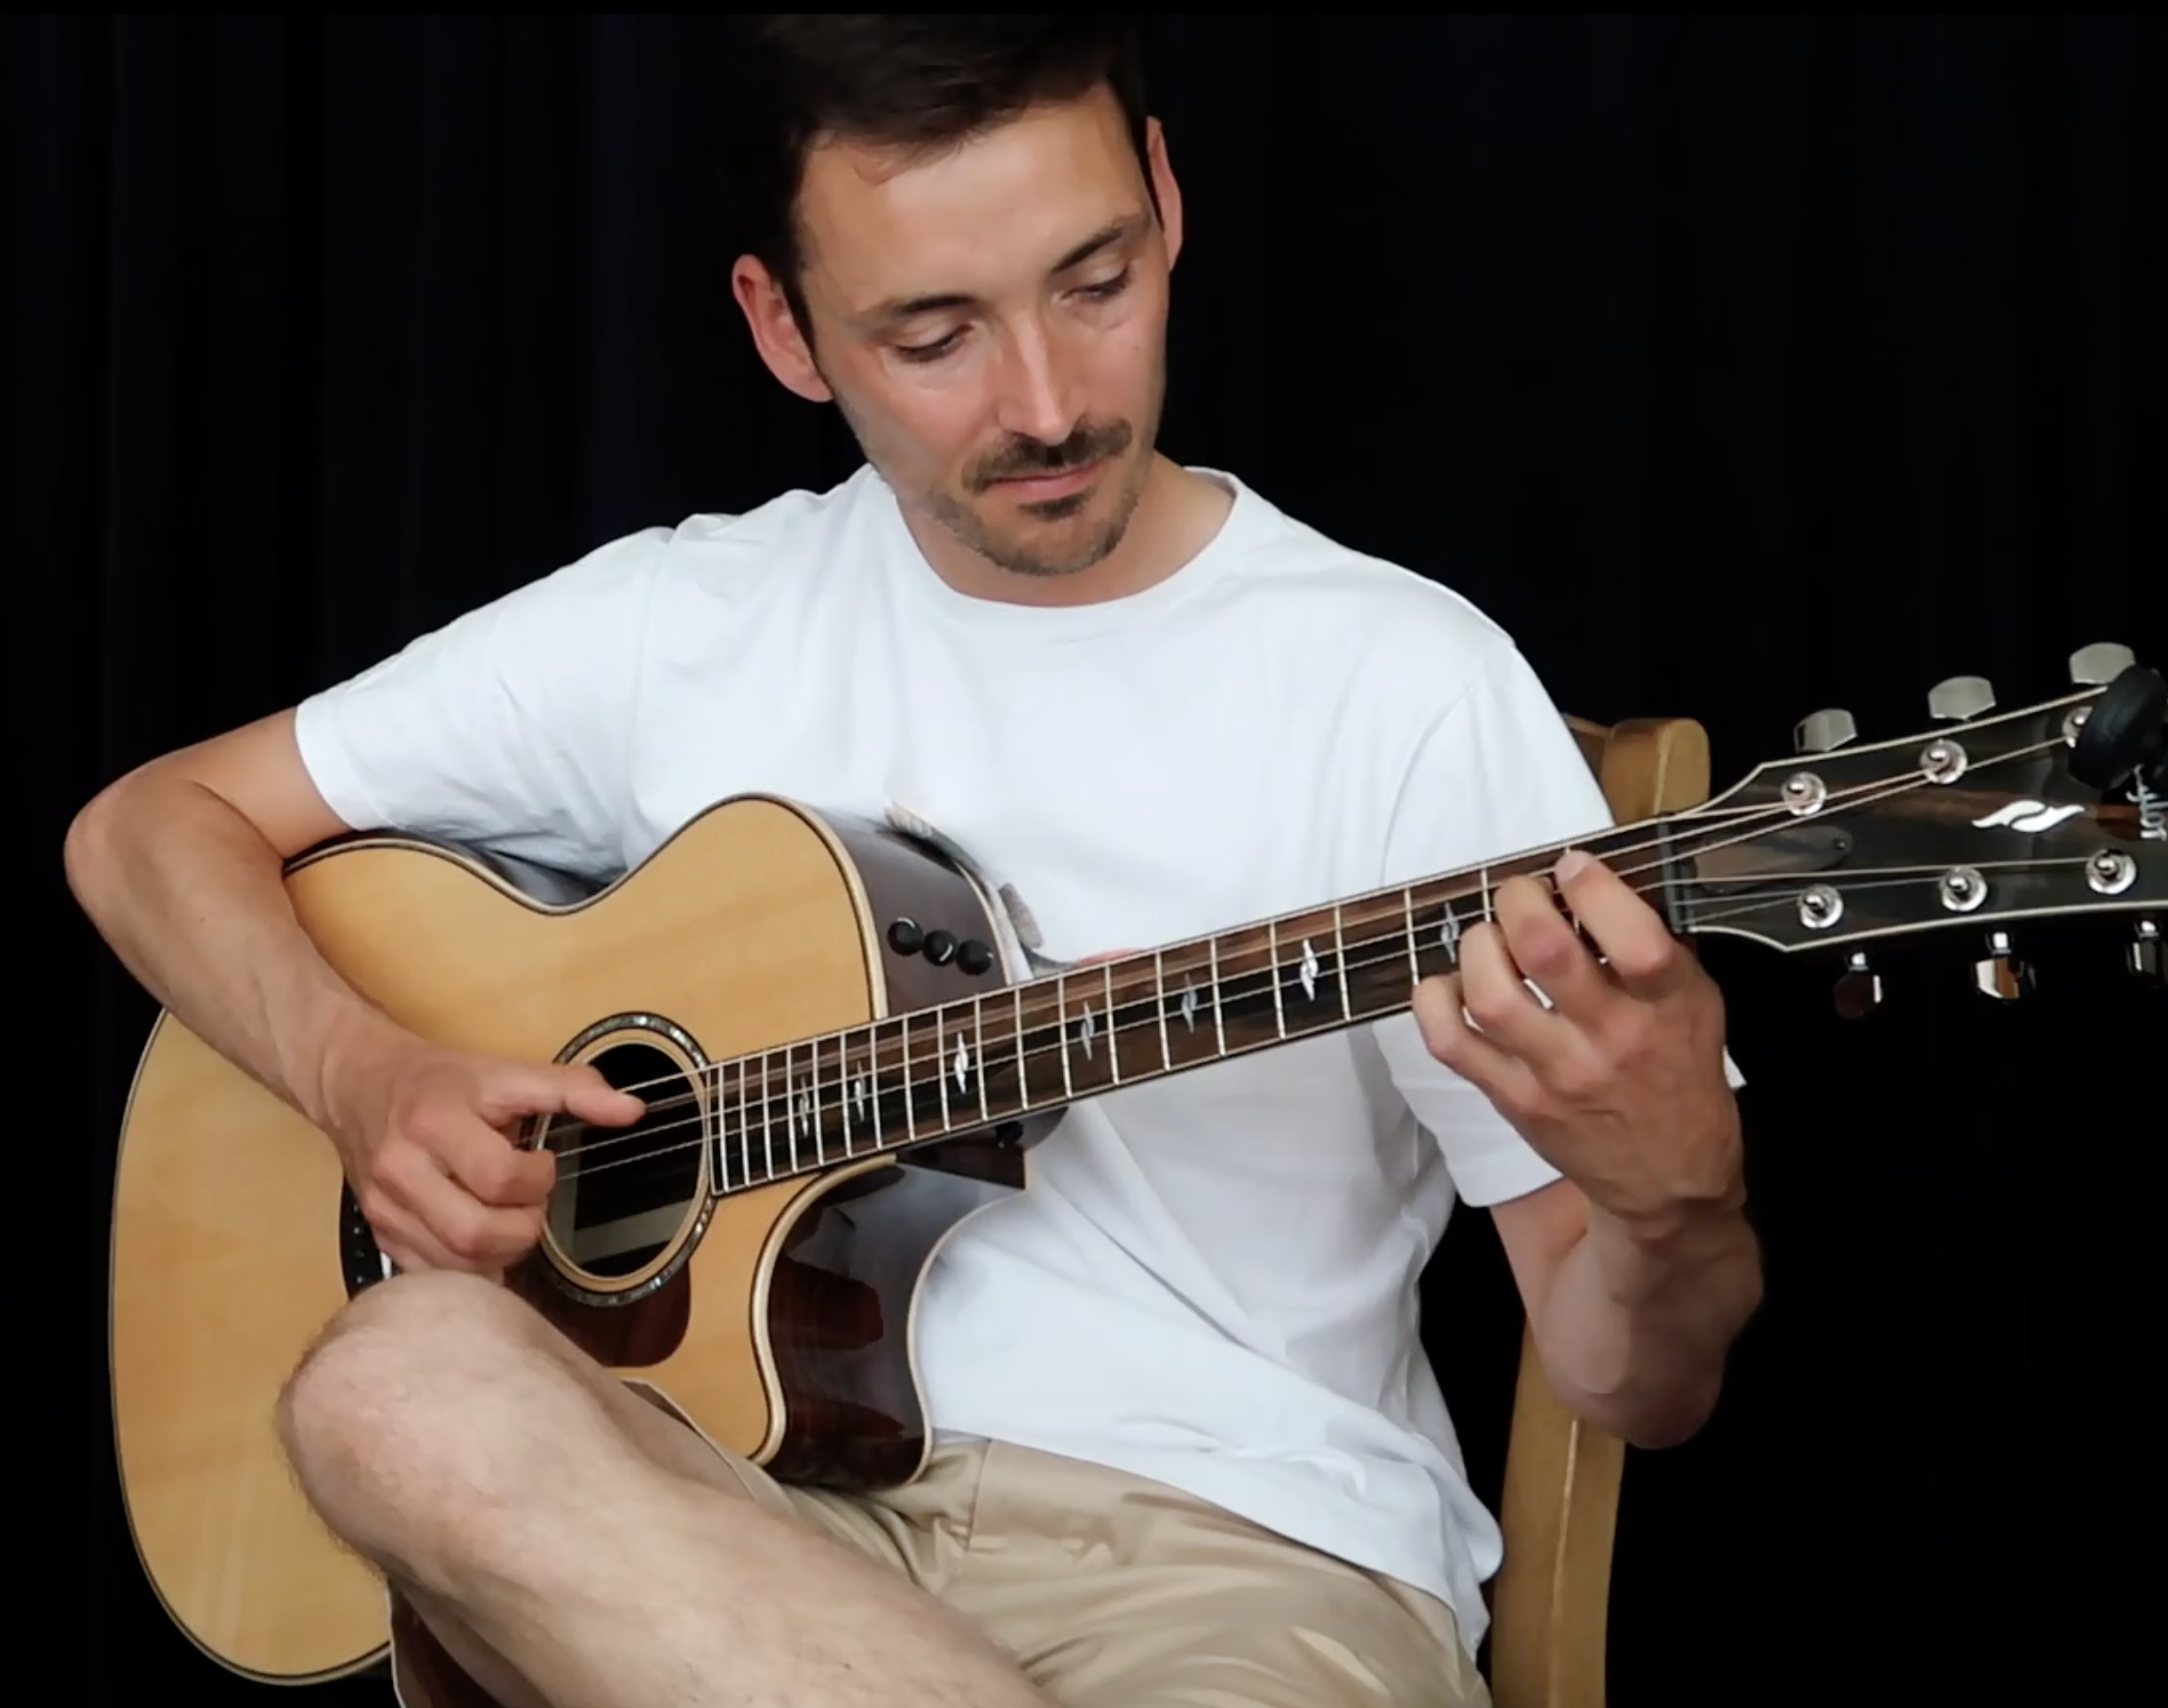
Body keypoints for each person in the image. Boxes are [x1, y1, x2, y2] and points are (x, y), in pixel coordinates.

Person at [67, 17, 1760, 1708]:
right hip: (728, 1543)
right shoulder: (687, 625)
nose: (1048, 401)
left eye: (1094, 283)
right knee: (391, 1381)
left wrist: (1674, 1200)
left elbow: (1639, 1381)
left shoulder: (1403, 683)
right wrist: (360, 1071)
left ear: (1166, 200)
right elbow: (146, 830)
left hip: (1240, 1568)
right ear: (783, 328)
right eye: (934, 334)